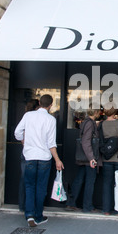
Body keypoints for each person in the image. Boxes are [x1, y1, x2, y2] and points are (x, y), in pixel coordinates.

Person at [14, 94, 64, 227]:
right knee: (41, 188)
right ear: (50, 105)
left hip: (29, 156)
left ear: (40, 103)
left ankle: (29, 215)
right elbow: (51, 143)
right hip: (44, 158)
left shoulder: (28, 116)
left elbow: (17, 132)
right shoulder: (51, 119)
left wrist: (25, 144)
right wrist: (58, 160)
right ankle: (38, 216)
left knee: (29, 186)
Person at [66, 105, 101, 213]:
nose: (100, 113)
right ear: (95, 112)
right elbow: (86, 141)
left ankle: (71, 203)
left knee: (79, 179)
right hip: (89, 158)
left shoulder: (85, 122)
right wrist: (91, 158)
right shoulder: (90, 124)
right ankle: (88, 206)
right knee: (90, 181)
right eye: (99, 111)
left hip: (83, 157)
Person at [19, 99, 40, 212]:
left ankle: (23, 205)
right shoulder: (31, 118)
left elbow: (20, 133)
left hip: (26, 152)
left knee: (24, 179)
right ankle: (30, 207)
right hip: (32, 152)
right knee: (32, 181)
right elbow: (20, 133)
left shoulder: (27, 116)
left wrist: (25, 144)